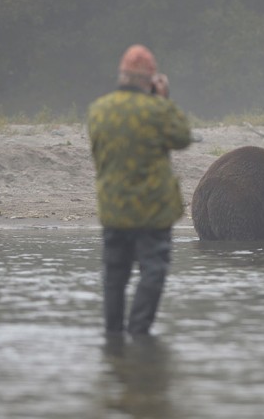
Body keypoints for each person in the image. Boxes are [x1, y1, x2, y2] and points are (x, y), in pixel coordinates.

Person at [88, 44, 191, 335]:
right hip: (152, 212)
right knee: (153, 271)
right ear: (150, 80)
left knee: (114, 277)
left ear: (122, 76)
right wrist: (163, 99)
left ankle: (113, 336)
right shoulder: (157, 109)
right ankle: (139, 331)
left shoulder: (98, 109)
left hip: (113, 210)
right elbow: (182, 137)